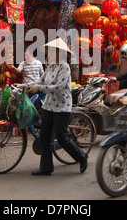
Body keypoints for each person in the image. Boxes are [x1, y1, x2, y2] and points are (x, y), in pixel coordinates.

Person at [16, 37, 87, 175]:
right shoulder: (50, 66)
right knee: (45, 136)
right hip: (49, 106)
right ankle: (46, 167)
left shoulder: (64, 66)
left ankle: (81, 156)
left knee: (61, 137)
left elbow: (59, 87)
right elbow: (40, 81)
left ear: (58, 52)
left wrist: (39, 88)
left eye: (52, 50)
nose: (49, 53)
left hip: (61, 107)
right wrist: (24, 85)